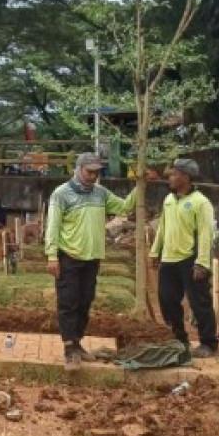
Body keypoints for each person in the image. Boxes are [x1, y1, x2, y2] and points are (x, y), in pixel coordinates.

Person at [44, 152, 136, 371]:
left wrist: (139, 187)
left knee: (85, 301)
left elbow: (124, 207)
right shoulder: (62, 194)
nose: (93, 176)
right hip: (69, 256)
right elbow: (53, 226)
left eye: (96, 172)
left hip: (92, 258)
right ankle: (69, 350)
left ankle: (77, 343)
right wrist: (52, 256)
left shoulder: (101, 193)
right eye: (89, 172)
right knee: (68, 302)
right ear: (78, 169)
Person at [150, 159, 219, 358]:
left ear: (186, 177)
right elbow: (162, 227)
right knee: (167, 299)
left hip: (191, 259)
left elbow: (206, 234)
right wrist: (155, 251)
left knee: (199, 303)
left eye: (174, 174)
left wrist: (202, 263)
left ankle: (209, 344)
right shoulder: (168, 200)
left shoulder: (201, 202)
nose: (169, 178)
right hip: (169, 259)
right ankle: (179, 339)